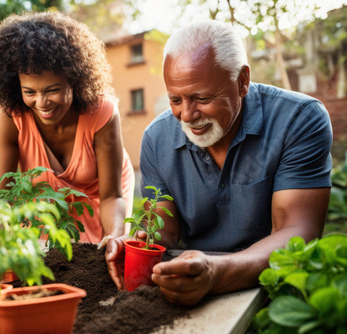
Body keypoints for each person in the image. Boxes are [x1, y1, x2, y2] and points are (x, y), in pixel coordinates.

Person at [105, 20, 332, 305]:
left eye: (201, 98)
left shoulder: (298, 120)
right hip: (192, 283)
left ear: (242, 82)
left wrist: (217, 273)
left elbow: (296, 231)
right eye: (175, 99)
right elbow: (164, 226)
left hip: (277, 289)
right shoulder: (156, 138)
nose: (186, 115)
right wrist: (139, 243)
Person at [0, 12, 134, 245]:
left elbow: (111, 197)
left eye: (52, 90)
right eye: (30, 92)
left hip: (101, 198)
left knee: (100, 260)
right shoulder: (9, 116)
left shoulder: (101, 110)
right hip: (45, 202)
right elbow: (0, 198)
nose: (42, 103)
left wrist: (115, 236)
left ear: (75, 80)